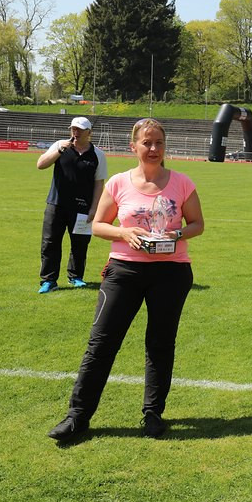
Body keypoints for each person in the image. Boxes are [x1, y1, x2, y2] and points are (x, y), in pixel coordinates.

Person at [48, 118, 204, 442]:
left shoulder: (182, 183)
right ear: (133, 146)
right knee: (101, 343)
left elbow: (197, 224)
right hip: (124, 271)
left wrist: (176, 233)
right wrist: (124, 231)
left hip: (171, 272)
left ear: (165, 146)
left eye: (158, 142)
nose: (153, 149)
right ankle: (78, 416)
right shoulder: (119, 183)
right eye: (146, 143)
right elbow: (98, 225)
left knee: (160, 345)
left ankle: (153, 414)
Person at [35, 116, 107, 293]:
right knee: (50, 243)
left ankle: (76, 277)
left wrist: (94, 208)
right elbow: (40, 164)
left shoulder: (98, 154)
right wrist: (59, 151)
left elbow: (99, 183)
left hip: (82, 207)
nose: (76, 132)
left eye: (80, 129)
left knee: (80, 244)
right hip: (56, 204)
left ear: (89, 132)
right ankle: (49, 280)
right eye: (73, 129)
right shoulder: (60, 145)